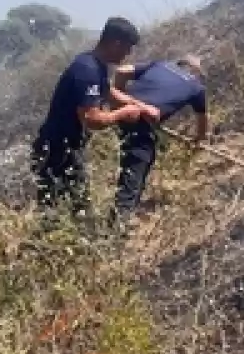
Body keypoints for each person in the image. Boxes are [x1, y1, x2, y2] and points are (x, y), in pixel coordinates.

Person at [30, 16, 159, 217]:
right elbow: (92, 119)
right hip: (56, 151)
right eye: (127, 48)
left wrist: (142, 107)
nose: (128, 54)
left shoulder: (94, 65)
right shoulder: (87, 70)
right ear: (115, 43)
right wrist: (123, 113)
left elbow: (109, 92)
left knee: (76, 207)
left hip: (67, 148)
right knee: (59, 210)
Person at [108, 54, 208, 227]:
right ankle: (119, 223)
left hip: (126, 113)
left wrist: (120, 103)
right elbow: (202, 120)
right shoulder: (196, 86)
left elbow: (121, 72)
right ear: (196, 72)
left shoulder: (159, 65)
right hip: (141, 120)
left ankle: (124, 213)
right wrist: (197, 141)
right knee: (137, 163)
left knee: (143, 157)